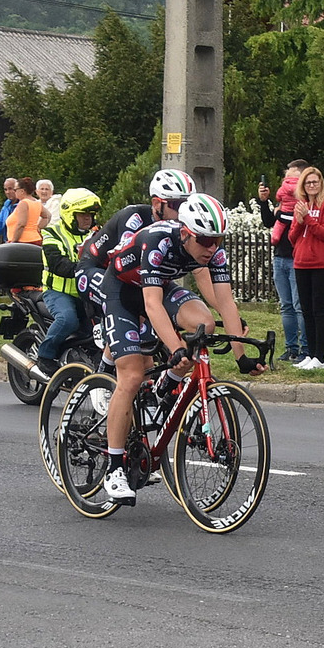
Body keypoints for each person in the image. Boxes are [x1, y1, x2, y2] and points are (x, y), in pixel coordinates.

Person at [100, 193, 266, 503]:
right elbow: (150, 304)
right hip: (121, 291)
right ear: (186, 232)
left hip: (158, 287)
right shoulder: (158, 240)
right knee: (133, 376)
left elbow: (226, 303)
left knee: (205, 324)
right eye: (205, 240)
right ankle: (114, 468)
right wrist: (175, 347)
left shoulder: (214, 253)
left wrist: (241, 356)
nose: (212, 247)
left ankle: (168, 383)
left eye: (217, 239)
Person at [75, 168, 196, 375]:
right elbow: (124, 271)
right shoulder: (134, 218)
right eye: (177, 205)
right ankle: (103, 372)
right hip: (97, 270)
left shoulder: (178, 228)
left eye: (188, 205)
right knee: (133, 316)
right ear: (158, 204)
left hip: (135, 278)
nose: (183, 212)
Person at [35, 189, 102, 376]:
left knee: (103, 325)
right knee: (68, 319)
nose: (88, 218)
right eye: (82, 214)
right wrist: (85, 268)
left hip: (87, 293)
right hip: (57, 292)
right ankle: (45, 356)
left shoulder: (98, 234)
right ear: (70, 214)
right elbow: (59, 264)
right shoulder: (52, 234)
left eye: (90, 214)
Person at [258, 159, 309, 363]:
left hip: (298, 259)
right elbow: (270, 222)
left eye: (292, 177)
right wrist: (264, 202)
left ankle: (306, 349)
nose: (288, 181)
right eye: (286, 177)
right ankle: (291, 348)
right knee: (286, 306)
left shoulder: (307, 202)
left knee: (299, 306)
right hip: (280, 257)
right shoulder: (283, 203)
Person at [289, 166, 324, 370]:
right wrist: (300, 222)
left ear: (321, 183)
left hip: (321, 264)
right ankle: (309, 355)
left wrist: (308, 219)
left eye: (315, 182)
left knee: (319, 311)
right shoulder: (301, 205)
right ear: (303, 185)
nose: (311, 186)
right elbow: (292, 237)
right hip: (301, 262)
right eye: (308, 182)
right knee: (306, 311)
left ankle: (320, 357)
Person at [7, 177, 51, 244]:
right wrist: (37, 228)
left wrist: (13, 241)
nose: (14, 192)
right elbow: (48, 216)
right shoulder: (36, 202)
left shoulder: (24, 203)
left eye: (15, 190)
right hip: (35, 239)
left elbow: (21, 224)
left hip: (23, 241)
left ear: (22, 191)